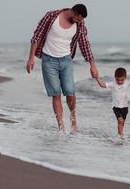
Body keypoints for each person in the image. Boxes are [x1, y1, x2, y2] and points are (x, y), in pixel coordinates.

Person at [26, 4, 99, 133]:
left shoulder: (80, 24)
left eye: (81, 20)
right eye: (78, 19)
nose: (80, 22)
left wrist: (92, 65)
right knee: (56, 94)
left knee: (70, 93)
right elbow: (36, 36)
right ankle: (61, 127)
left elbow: (84, 44)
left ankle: (73, 120)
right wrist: (31, 58)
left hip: (66, 61)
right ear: (72, 13)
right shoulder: (51, 16)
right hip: (49, 61)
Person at [95, 68, 130, 137]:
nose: (119, 81)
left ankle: (120, 134)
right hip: (116, 107)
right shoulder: (113, 84)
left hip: (125, 107)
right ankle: (120, 136)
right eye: (117, 80)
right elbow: (103, 85)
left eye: (122, 80)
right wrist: (97, 78)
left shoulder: (127, 83)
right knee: (120, 121)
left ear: (125, 78)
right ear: (115, 78)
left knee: (122, 123)